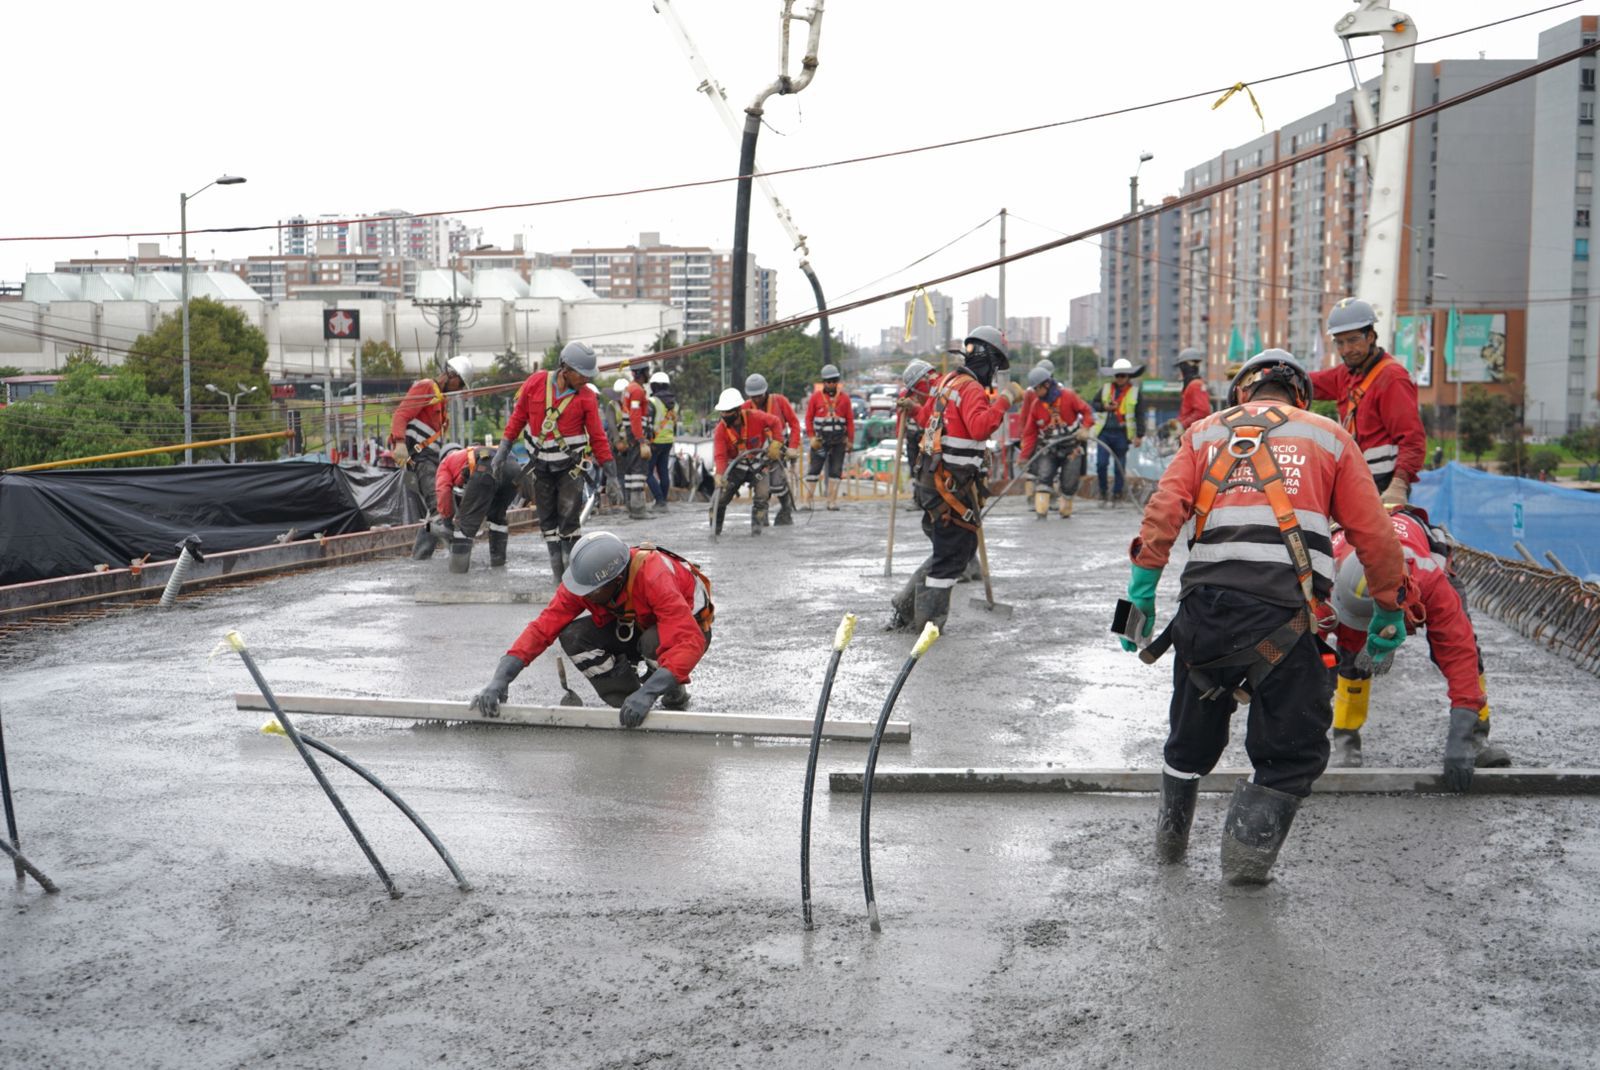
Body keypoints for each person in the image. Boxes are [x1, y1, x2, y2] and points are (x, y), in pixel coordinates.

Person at [1123, 349, 1408, 885]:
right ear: (1300, 393)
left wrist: (1140, 591)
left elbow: (1164, 508)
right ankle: (1243, 868)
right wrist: (1388, 610)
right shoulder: (1327, 436)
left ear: (1243, 392)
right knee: (1290, 752)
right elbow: (1373, 533)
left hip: (1204, 615)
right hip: (1287, 620)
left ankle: (1169, 847)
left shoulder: (1205, 433)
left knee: (1188, 740)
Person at [1324, 505, 1511, 787]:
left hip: (1420, 572)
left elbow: (1458, 654)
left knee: (1467, 650)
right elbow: (1308, 654)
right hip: (1349, 570)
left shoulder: (1432, 581)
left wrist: (1460, 733)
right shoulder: (1324, 576)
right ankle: (1346, 740)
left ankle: (1476, 736)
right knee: (1350, 658)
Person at [468, 531, 713, 727]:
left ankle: (670, 689)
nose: (582, 596)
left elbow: (688, 642)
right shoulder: (586, 582)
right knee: (574, 636)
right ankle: (628, 703)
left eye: (591, 592)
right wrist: (500, 679)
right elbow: (541, 629)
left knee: (653, 641)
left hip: (687, 629)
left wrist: (649, 692)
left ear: (616, 579)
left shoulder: (653, 575)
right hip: (635, 622)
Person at [886, 325, 1019, 632]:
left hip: (935, 481)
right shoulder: (971, 389)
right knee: (950, 556)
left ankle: (905, 608)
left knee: (954, 550)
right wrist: (1005, 401)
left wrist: (916, 408)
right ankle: (927, 624)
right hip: (947, 486)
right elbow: (979, 428)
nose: (995, 374)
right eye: (996, 367)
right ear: (987, 360)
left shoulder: (948, 382)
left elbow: (930, 420)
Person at [491, 341, 618, 584]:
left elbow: (598, 437)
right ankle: (558, 578)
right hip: (540, 468)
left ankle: (572, 579)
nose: (586, 380)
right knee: (547, 521)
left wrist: (611, 475)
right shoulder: (536, 383)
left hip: (570, 469)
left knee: (568, 521)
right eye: (583, 375)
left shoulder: (587, 397)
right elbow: (518, 418)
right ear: (565, 369)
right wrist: (503, 449)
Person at [1312, 298, 1426, 506]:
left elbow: (1413, 440)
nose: (1346, 349)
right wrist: (1265, 371)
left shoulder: (1392, 378)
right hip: (1355, 480)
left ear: (1371, 336)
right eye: (1340, 342)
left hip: (1383, 486)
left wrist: (1399, 485)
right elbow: (1308, 383)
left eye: (1353, 340)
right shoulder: (1347, 374)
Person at [389, 355, 472, 559]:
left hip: (432, 460)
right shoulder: (426, 387)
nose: (459, 389)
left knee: (435, 510)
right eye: (460, 383)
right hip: (421, 460)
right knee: (439, 508)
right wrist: (399, 442)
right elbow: (401, 414)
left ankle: (420, 555)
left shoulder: (440, 400)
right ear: (451, 375)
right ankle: (456, 550)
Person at [1019, 365, 1094, 519]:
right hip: (1049, 448)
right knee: (1044, 478)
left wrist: (1085, 428)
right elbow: (1030, 434)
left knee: (1069, 484)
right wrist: (1024, 456)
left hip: (1071, 447)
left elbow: (1087, 411)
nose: (1035, 392)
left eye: (1037, 388)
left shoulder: (1068, 396)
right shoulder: (1036, 406)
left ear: (1046, 384)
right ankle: (1041, 514)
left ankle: (1065, 509)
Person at [434, 442, 520, 573]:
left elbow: (443, 492)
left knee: (464, 526)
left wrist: (446, 519)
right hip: (514, 467)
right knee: (497, 518)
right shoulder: (469, 453)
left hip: (487, 465)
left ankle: (457, 577)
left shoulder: (445, 463)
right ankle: (498, 566)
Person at [711, 387, 785, 536]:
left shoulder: (755, 417)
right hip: (735, 467)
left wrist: (777, 442)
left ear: (738, 410)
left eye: (728, 412)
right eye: (722, 412)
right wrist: (719, 475)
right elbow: (720, 456)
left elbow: (776, 422)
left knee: (762, 496)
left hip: (758, 465)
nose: (724, 415)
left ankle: (756, 532)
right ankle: (715, 531)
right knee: (718, 500)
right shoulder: (720, 430)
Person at [744, 373, 803, 525]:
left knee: (777, 483)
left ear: (765, 391)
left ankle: (786, 508)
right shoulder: (745, 408)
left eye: (759, 395)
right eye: (753, 396)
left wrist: (792, 447)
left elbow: (795, 424)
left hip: (779, 450)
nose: (756, 399)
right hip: (757, 454)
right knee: (762, 485)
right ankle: (761, 516)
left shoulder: (780, 401)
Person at [1091, 357, 1148, 504]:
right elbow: (1095, 404)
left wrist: (1139, 435)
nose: (1120, 378)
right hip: (1104, 432)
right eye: (1118, 375)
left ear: (1128, 376)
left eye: (1123, 375)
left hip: (1122, 434)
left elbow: (1140, 415)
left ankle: (1117, 493)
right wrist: (1105, 407)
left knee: (1119, 466)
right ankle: (1103, 491)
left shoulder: (1135, 392)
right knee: (1101, 464)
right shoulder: (1105, 389)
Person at [805, 364, 855, 511]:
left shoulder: (845, 399)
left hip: (839, 441)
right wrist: (811, 437)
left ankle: (831, 501)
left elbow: (850, 421)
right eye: (828, 381)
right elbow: (808, 419)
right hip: (820, 441)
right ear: (824, 382)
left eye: (834, 381)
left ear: (837, 381)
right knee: (814, 470)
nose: (831, 384)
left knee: (836, 471)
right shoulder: (815, 398)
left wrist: (850, 441)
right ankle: (808, 501)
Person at [617, 362, 654, 520]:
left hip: (630, 433)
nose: (649, 374)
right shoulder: (637, 390)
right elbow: (635, 415)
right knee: (638, 471)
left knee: (631, 471)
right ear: (641, 373)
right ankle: (638, 509)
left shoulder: (629, 389)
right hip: (636, 434)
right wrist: (641, 439)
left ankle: (632, 507)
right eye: (647, 371)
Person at [897, 359, 938, 479]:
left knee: (928, 464)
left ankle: (924, 486)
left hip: (927, 434)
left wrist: (915, 408)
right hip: (912, 435)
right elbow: (900, 417)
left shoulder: (932, 390)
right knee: (913, 464)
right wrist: (899, 433)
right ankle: (917, 489)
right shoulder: (905, 395)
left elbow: (928, 415)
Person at [646, 370, 679, 513]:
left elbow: (648, 423)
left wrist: (646, 440)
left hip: (655, 441)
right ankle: (662, 501)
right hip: (668, 441)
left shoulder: (652, 402)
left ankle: (659, 500)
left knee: (646, 472)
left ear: (654, 386)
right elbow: (675, 424)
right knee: (663, 471)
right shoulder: (674, 404)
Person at [1176, 347, 1212, 430]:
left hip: (1194, 432)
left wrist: (1182, 425)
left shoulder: (1195, 385)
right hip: (1192, 431)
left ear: (1183, 366)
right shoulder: (1194, 384)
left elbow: (1203, 412)